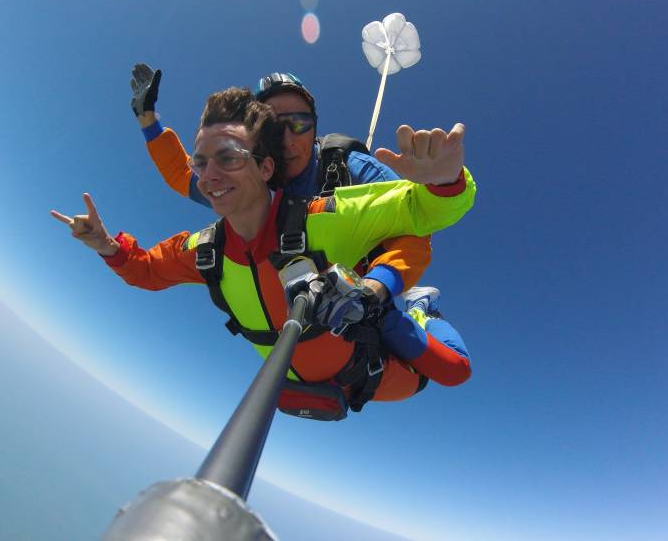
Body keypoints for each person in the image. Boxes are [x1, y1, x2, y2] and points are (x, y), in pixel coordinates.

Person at [52, 88, 476, 414]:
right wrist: (107, 246)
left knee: (453, 370)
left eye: (230, 158)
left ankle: (421, 310)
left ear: (264, 166)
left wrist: (444, 181)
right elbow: (151, 259)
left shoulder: (329, 208)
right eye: (205, 163)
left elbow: (419, 216)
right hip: (316, 376)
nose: (211, 175)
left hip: (367, 340)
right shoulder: (206, 250)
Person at [130, 65, 462, 368]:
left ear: (314, 126)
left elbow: (417, 227)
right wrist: (148, 119)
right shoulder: (251, 180)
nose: (287, 140)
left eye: (300, 124)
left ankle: (421, 308)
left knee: (451, 367)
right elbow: (184, 175)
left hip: (365, 284)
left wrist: (377, 287)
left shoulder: (349, 167)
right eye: (274, 127)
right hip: (307, 305)